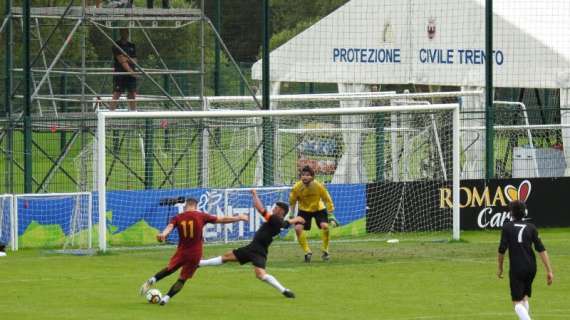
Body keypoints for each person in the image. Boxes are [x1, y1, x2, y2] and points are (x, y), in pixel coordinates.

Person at [139, 198, 248, 305]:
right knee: (182, 279)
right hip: (195, 253)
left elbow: (170, 226)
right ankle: (166, 298)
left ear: (186, 206)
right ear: (196, 206)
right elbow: (222, 219)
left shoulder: (178, 217)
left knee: (169, 269)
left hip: (182, 251)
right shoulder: (201, 216)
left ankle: (153, 279)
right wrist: (238, 217)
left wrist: (163, 234)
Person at [199, 189, 305, 298]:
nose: (273, 209)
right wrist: (296, 219)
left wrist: (254, 194)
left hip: (256, 250)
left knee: (259, 274)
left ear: (281, 211)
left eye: (276, 208)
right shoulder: (279, 221)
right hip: (257, 250)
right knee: (230, 258)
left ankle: (284, 290)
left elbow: (260, 209)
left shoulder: (275, 219)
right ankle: (284, 290)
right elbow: (286, 224)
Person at [497, 200, 554, 320]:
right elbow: (541, 249)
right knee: (524, 297)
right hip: (531, 267)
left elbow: (502, 249)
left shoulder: (507, 227)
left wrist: (500, 267)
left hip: (517, 268)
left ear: (511, 213)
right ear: (524, 212)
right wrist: (549, 270)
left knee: (517, 303)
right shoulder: (531, 227)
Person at [289, 165, 335, 262]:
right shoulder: (296, 187)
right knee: (297, 229)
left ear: (313, 177)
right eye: (303, 175)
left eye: (307, 175)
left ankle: (325, 251)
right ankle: (307, 252)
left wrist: (330, 213)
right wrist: (291, 215)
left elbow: (327, 199)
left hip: (318, 208)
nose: (305, 177)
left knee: (325, 227)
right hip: (304, 210)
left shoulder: (318, 186)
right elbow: (292, 202)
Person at [111, 28, 137, 111]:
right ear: (120, 33)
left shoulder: (132, 45)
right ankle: (110, 113)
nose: (125, 34)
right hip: (120, 74)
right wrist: (131, 72)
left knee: (132, 93)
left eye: (126, 32)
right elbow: (121, 60)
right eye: (123, 32)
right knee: (117, 93)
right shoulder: (116, 45)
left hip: (131, 74)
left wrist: (126, 59)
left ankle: (134, 113)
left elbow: (135, 60)